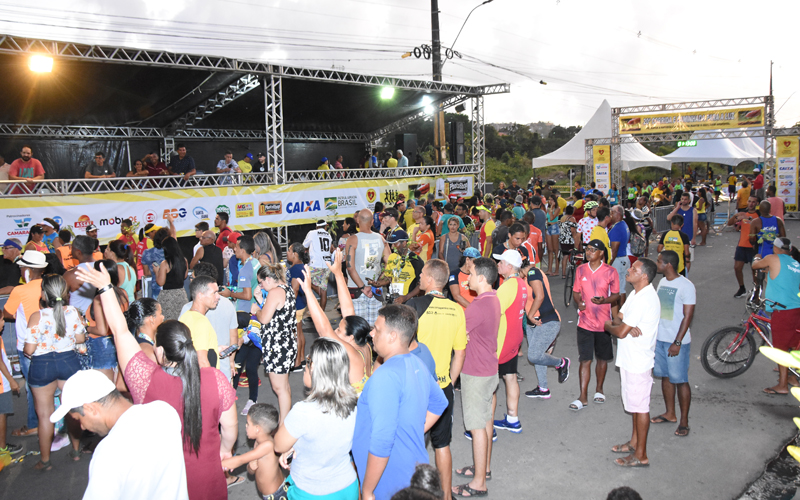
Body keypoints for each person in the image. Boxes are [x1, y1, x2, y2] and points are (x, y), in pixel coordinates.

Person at [76, 263, 238, 500]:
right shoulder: (216, 380)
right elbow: (231, 428)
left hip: (165, 485)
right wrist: (225, 450)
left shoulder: (146, 380)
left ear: (160, 351)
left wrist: (105, 289)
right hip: (207, 480)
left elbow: (120, 332)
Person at [352, 304, 447, 500]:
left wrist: (368, 490)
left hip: (389, 480)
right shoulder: (416, 362)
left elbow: (382, 440)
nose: (371, 333)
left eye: (377, 329)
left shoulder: (385, 377)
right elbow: (439, 403)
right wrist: (413, 431)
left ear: (392, 336)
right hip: (412, 470)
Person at [55, 370, 189, 499]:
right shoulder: (164, 412)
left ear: (90, 409)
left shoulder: (108, 453)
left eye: (79, 419)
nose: (82, 427)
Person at [407, 259, 467, 500]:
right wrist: (449, 382)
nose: (420, 277)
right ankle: (446, 497)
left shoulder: (415, 305)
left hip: (416, 387)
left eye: (422, 274)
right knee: (442, 444)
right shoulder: (457, 309)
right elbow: (460, 353)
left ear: (430, 279)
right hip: (443, 387)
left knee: (413, 444)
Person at [273, 338, 359, 499]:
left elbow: (278, 445)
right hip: (348, 487)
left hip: (311, 491)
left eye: (308, 360)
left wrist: (293, 444)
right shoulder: (355, 403)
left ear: (313, 368)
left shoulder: (304, 411)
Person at [23, 274, 85, 469]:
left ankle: (45, 461)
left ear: (43, 294)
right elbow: (81, 339)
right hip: (69, 362)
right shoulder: (73, 312)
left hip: (42, 366)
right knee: (73, 409)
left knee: (45, 415)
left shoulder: (37, 316)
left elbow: (29, 350)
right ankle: (76, 451)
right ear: (65, 293)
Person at [605, 258, 660, 468]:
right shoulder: (636, 294)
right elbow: (619, 318)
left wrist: (607, 325)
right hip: (630, 359)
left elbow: (618, 329)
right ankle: (634, 443)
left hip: (638, 362)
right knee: (636, 407)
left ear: (644, 276)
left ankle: (641, 455)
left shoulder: (644, 299)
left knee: (641, 408)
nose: (628, 270)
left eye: (634, 269)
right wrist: (622, 326)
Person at [453, 258, 500, 498]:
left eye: (470, 274)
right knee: (485, 421)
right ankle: (484, 469)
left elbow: (456, 334)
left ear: (481, 278)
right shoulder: (492, 298)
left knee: (477, 427)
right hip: (488, 369)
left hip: (476, 373)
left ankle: (478, 483)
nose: (467, 278)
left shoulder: (478, 305)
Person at [299, 251, 373, 393]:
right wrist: (338, 274)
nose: (335, 331)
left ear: (350, 337)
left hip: (354, 405)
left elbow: (324, 330)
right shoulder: (364, 344)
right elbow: (348, 311)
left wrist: (308, 292)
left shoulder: (353, 354)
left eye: (339, 330)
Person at [570, 239, 619, 411]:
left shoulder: (611, 271)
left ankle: (599, 389)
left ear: (601, 253)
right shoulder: (581, 269)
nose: (588, 252)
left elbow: (616, 295)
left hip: (604, 324)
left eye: (592, 250)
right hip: (584, 322)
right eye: (587, 249)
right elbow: (576, 292)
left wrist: (604, 300)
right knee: (585, 359)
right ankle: (582, 396)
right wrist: (579, 302)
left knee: (602, 358)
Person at [650, 250, 695, 437]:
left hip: (677, 341)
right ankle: (670, 413)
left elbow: (688, 316)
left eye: (659, 261)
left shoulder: (686, 286)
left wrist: (677, 342)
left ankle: (684, 421)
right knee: (666, 377)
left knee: (680, 380)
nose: (657, 264)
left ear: (668, 264)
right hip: (660, 339)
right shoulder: (662, 282)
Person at [3, 250, 46, 438]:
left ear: (28, 270)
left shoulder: (20, 291)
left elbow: (6, 313)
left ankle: (34, 425)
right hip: (52, 343)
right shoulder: (51, 284)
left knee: (32, 387)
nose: (20, 271)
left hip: (28, 346)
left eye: (21, 268)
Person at [752, 238, 800, 395]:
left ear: (775, 248)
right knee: (794, 345)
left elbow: (755, 266)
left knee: (781, 349)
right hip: (796, 309)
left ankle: (782, 385)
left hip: (783, 311)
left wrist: (757, 257)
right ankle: (793, 377)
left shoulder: (772, 258)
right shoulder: (795, 263)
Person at [255, 262, 297, 422]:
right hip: (285, 343)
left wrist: (256, 310)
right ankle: (286, 420)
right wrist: (260, 300)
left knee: (279, 388)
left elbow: (264, 318)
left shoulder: (275, 292)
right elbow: (275, 314)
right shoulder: (286, 289)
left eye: (261, 282)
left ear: (268, 279)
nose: (261, 286)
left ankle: (284, 425)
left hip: (278, 345)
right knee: (284, 386)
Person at [491, 250, 528, 434]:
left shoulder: (507, 286)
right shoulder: (521, 283)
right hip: (515, 337)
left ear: (510, 266)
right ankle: (513, 419)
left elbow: (493, 313)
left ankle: (486, 427)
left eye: (501, 262)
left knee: (489, 382)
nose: (498, 264)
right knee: (510, 377)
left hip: (502, 340)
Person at [524, 263, 569, 399]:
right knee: (539, 356)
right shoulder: (520, 279)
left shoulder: (533, 273)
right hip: (533, 323)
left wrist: (530, 315)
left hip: (545, 321)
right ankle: (543, 388)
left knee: (534, 355)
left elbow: (540, 296)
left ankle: (561, 363)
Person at [223, 403, 285, 499]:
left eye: (248, 424)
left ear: (257, 429)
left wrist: (215, 465)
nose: (245, 426)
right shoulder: (258, 442)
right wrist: (251, 468)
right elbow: (251, 469)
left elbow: (241, 460)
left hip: (277, 494)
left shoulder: (267, 445)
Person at [346, 209, 390, 324]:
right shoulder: (381, 239)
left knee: (358, 328)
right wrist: (379, 282)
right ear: (372, 222)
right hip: (375, 289)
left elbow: (350, 267)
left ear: (357, 221)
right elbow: (390, 263)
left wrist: (363, 287)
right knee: (375, 328)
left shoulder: (352, 240)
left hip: (356, 290)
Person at [285, 243, 308, 371]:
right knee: (299, 331)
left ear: (295, 254)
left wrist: (289, 305)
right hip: (301, 303)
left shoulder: (295, 269)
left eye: (289, 250)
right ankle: (302, 358)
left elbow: (295, 289)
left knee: (296, 334)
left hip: (296, 304)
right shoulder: (301, 266)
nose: (287, 253)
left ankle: (297, 362)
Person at [303, 220, 334, 311]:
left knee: (304, 280)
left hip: (315, 264)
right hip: (327, 265)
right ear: (325, 227)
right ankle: (322, 313)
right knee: (324, 290)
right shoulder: (328, 235)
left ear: (316, 227)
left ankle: (317, 292)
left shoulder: (312, 233)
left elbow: (304, 246)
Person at [155, 237, 188, 320]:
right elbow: (185, 276)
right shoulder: (184, 260)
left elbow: (160, 282)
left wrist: (156, 272)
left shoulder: (165, 263)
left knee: (168, 322)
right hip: (181, 294)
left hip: (167, 296)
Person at [125, 298, 163, 363]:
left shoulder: (136, 343)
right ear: (151, 319)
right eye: (160, 313)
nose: (163, 317)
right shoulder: (149, 353)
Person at [608, 206, 631, 303]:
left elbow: (614, 249)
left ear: (617, 214)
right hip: (622, 259)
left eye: (612, 212)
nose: (610, 215)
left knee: (617, 290)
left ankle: (620, 310)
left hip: (618, 260)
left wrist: (608, 264)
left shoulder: (617, 228)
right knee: (621, 288)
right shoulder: (623, 224)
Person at [544, 194, 560, 274]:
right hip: (549, 227)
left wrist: (552, 208)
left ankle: (556, 270)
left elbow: (552, 217)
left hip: (554, 227)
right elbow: (547, 218)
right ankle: (549, 269)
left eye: (552, 200)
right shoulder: (548, 208)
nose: (550, 201)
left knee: (555, 250)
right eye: (549, 199)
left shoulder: (557, 208)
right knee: (550, 250)